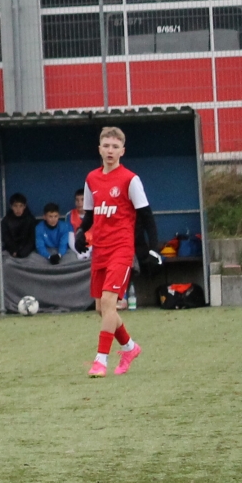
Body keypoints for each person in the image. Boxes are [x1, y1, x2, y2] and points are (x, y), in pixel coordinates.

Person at [80, 126, 150, 378]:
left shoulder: (130, 179)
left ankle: (101, 361)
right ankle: (130, 348)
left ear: (123, 151)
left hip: (121, 249)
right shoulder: (91, 179)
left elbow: (146, 215)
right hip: (100, 249)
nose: (110, 151)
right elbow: (90, 215)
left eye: (115, 147)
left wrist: (151, 248)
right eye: (106, 146)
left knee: (110, 304)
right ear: (99, 149)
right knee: (101, 309)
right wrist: (80, 234)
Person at [0, 193, 37, 259]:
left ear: (25, 206)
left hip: (28, 252)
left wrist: (24, 251)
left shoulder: (31, 220)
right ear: (11, 206)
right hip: (11, 252)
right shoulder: (5, 221)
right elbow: (6, 239)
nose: (18, 209)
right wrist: (13, 250)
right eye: (15, 206)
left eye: (21, 206)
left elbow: (32, 239)